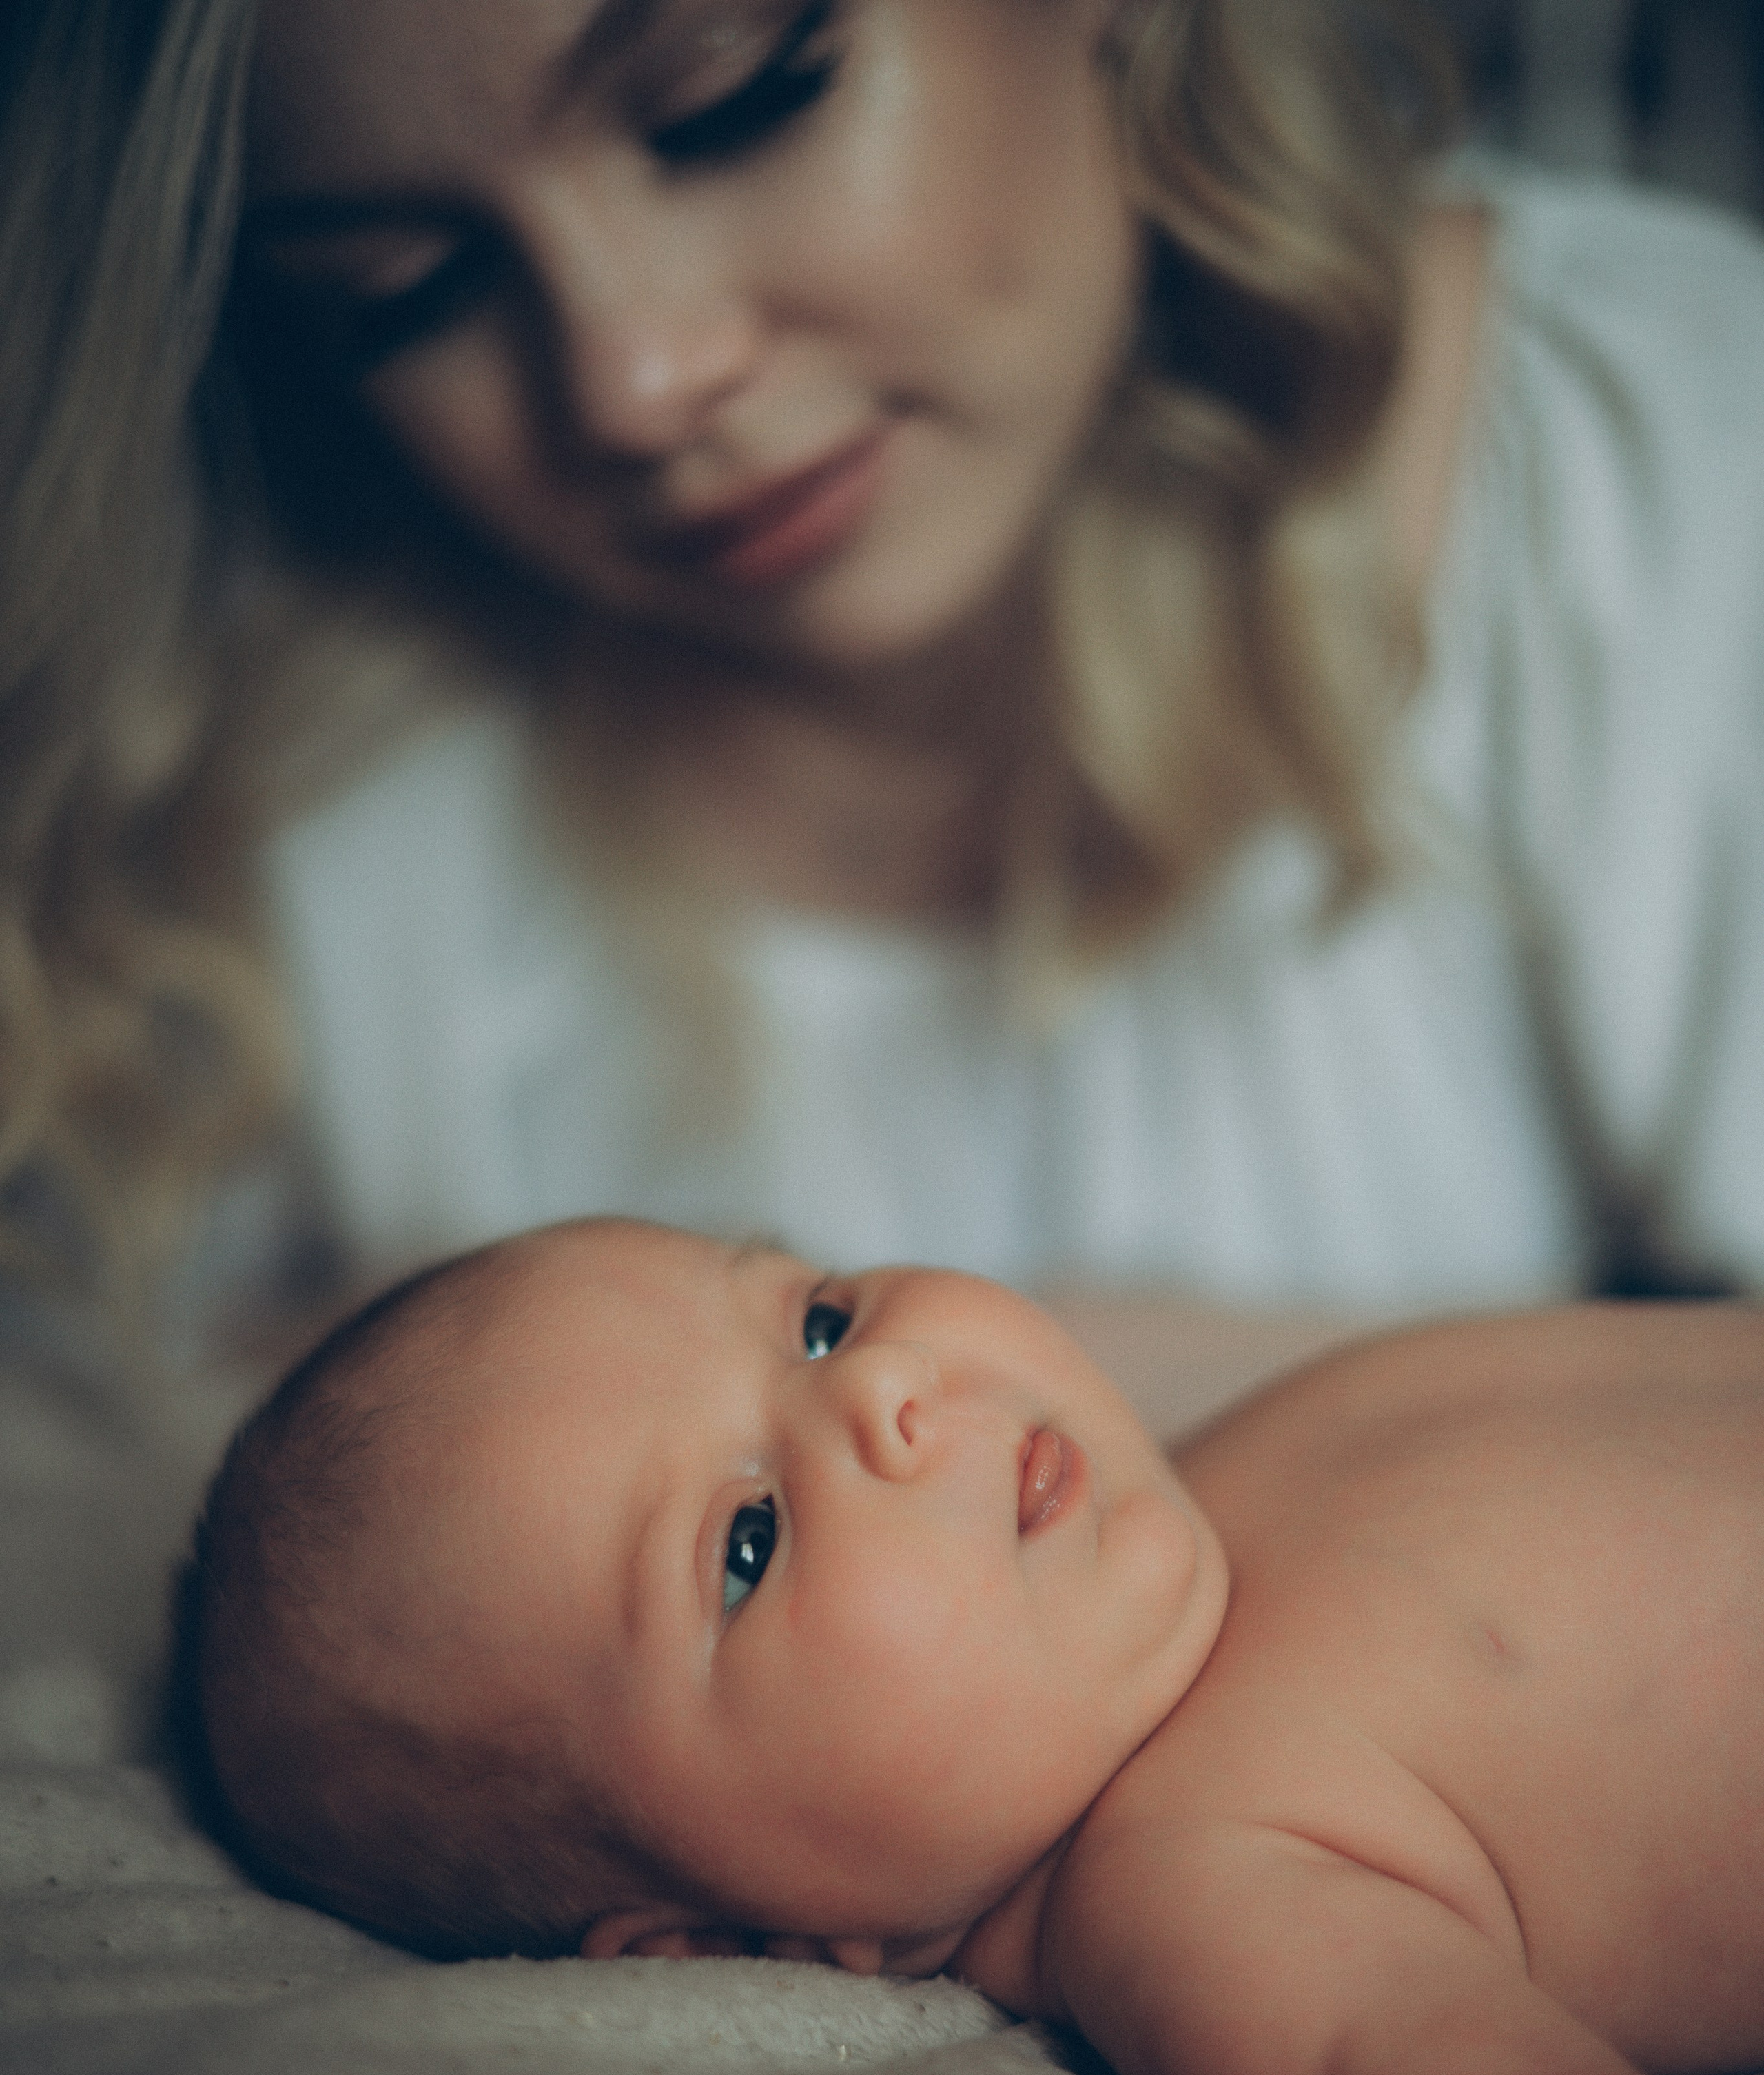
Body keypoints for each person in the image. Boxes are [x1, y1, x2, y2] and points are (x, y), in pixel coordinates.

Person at [4, 2, 1764, 1385]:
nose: (634, 379)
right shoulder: (265, 755)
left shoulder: (1650, 462)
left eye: (728, 98)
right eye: (406, 287)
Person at [176, 1214, 1764, 2075]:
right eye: (745, 1542)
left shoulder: (1204, 1469)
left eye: (810, 1317)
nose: (878, 1383)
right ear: (733, 1942)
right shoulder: (1195, 1874)